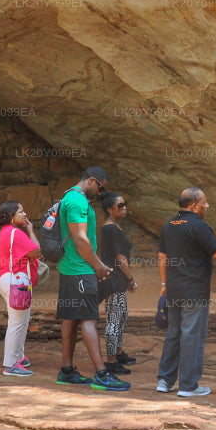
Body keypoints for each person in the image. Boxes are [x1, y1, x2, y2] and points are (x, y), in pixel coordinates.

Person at [157, 187, 216, 397]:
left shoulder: (168, 225)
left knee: (173, 334)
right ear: (194, 206)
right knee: (192, 336)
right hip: (195, 291)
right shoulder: (199, 227)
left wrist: (164, 284)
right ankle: (188, 385)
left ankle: (164, 380)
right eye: (204, 202)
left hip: (173, 289)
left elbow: (162, 257)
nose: (207, 206)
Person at [55, 167, 129, 391]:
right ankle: (102, 374)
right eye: (101, 188)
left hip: (70, 268)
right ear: (91, 181)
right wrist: (98, 266)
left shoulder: (70, 197)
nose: (100, 193)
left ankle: (67, 371)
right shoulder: (77, 201)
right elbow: (80, 238)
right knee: (89, 319)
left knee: (70, 318)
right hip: (80, 269)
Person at [0, 200, 40, 376]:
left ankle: (18, 357)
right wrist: (31, 231)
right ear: (11, 216)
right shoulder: (15, 233)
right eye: (20, 211)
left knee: (21, 322)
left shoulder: (4, 232)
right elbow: (37, 251)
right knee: (17, 323)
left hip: (8, 279)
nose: (24, 214)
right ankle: (11, 364)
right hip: (16, 280)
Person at [99, 192, 139, 376]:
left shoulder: (113, 227)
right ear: (109, 209)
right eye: (120, 206)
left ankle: (118, 353)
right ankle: (111, 361)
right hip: (114, 280)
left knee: (122, 316)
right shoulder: (111, 229)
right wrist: (130, 279)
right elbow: (121, 259)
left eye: (125, 204)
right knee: (114, 320)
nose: (124, 208)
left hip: (117, 280)